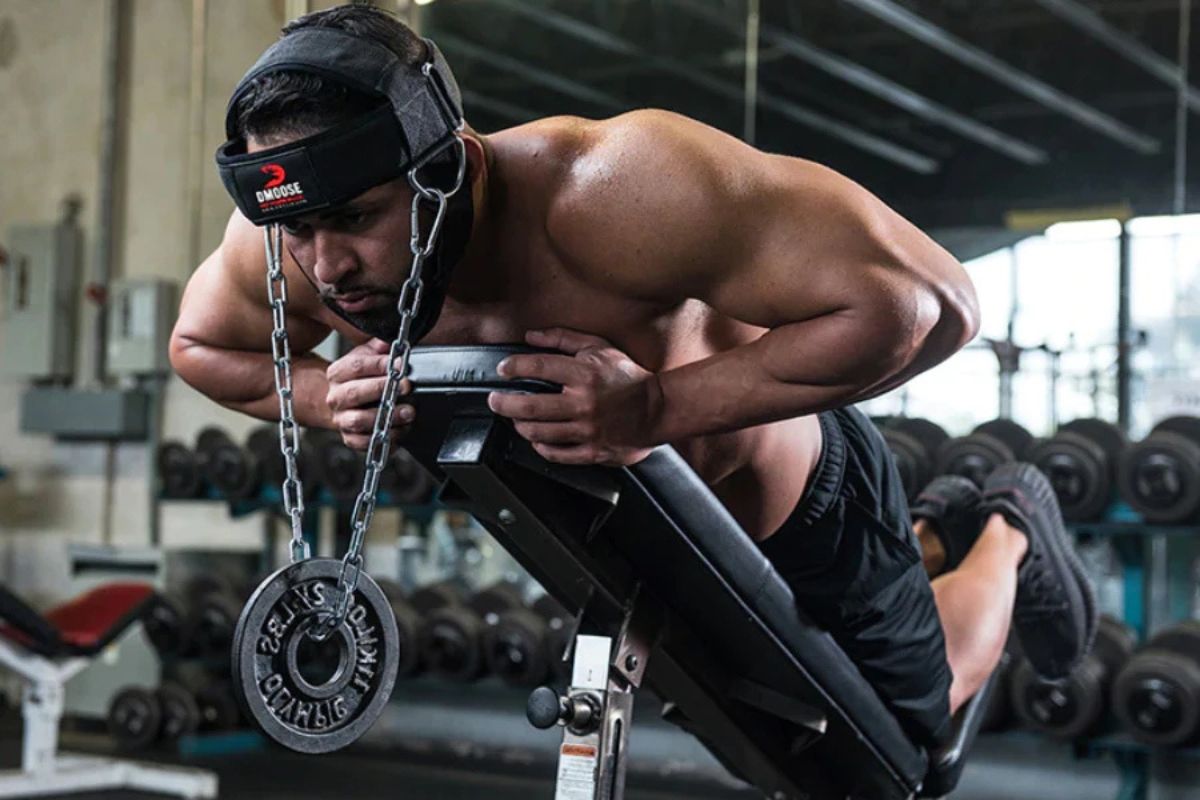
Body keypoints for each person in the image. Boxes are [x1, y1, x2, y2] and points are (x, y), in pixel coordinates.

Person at [170, 4, 1096, 751]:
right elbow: (200, 346)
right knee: (767, 742)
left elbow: (926, 307)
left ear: (450, 163)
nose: (324, 267)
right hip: (630, 542)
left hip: (801, 503)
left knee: (908, 738)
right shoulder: (291, 239)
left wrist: (658, 403)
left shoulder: (612, 190)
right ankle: (939, 526)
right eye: (298, 232)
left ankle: (1008, 524)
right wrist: (319, 396)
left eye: (357, 219)